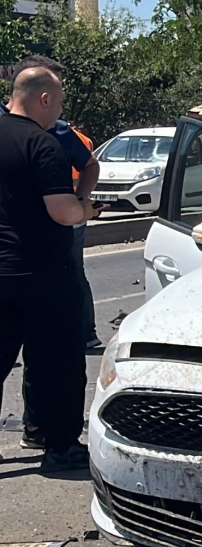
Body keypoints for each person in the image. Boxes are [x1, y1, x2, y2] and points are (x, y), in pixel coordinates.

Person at [0, 64, 101, 471]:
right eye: (58, 101)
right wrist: (86, 209)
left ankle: (37, 430)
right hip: (42, 271)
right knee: (57, 360)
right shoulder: (43, 145)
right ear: (44, 99)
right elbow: (61, 212)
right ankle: (57, 443)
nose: (59, 109)